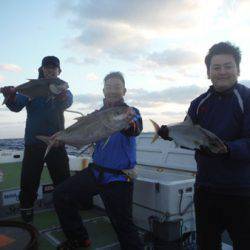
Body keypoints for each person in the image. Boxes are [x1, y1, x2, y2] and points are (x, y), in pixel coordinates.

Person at [158, 42, 250, 249]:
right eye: (216, 68)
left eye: (228, 66)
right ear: (208, 73)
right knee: (207, 244)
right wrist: (170, 135)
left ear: (238, 69)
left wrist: (228, 149)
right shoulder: (198, 103)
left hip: (242, 190)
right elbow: (189, 139)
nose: (222, 72)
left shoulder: (247, 98)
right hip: (206, 188)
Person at [54, 71, 144, 250]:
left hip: (119, 178)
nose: (112, 91)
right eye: (109, 87)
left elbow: (135, 129)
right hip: (96, 172)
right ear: (103, 91)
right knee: (61, 195)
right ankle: (79, 239)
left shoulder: (130, 112)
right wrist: (61, 138)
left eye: (117, 87)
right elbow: (82, 136)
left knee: (123, 226)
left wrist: (127, 122)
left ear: (124, 90)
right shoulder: (95, 115)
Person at [1, 56, 73, 223]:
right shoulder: (33, 88)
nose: (50, 70)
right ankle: (26, 207)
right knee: (29, 178)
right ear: (42, 69)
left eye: (54, 68)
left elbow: (67, 101)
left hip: (56, 142)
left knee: (62, 178)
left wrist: (61, 96)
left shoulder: (62, 89)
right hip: (34, 142)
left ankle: (65, 207)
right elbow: (17, 104)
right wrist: (10, 96)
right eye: (47, 67)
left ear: (59, 71)